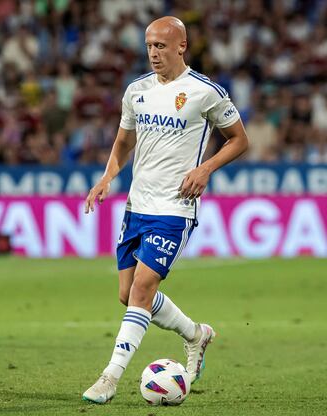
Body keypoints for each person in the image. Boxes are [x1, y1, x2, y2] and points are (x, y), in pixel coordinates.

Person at [83, 16, 248, 404]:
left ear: (181, 46)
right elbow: (124, 142)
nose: (154, 53)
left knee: (142, 289)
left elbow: (239, 140)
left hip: (175, 207)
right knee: (127, 295)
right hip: (136, 205)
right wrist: (107, 177)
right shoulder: (136, 91)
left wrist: (206, 168)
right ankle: (196, 334)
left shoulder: (206, 92)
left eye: (161, 46)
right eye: (149, 46)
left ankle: (109, 377)